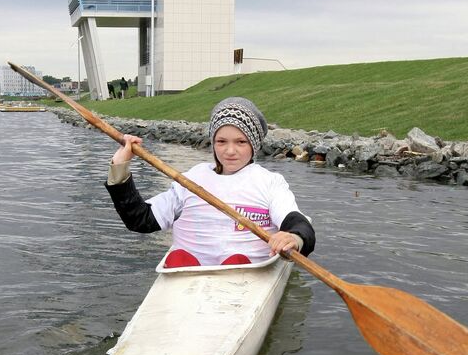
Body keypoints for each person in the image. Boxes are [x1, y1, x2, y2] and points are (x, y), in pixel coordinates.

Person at [105, 96, 315, 268]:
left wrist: (294, 239)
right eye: (221, 141)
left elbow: (298, 223)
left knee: (236, 262)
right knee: (179, 259)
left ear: (254, 145)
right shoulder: (191, 179)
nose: (230, 151)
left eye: (241, 142)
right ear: (213, 143)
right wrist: (119, 167)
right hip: (186, 272)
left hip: (246, 272)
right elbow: (140, 220)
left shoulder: (270, 182)